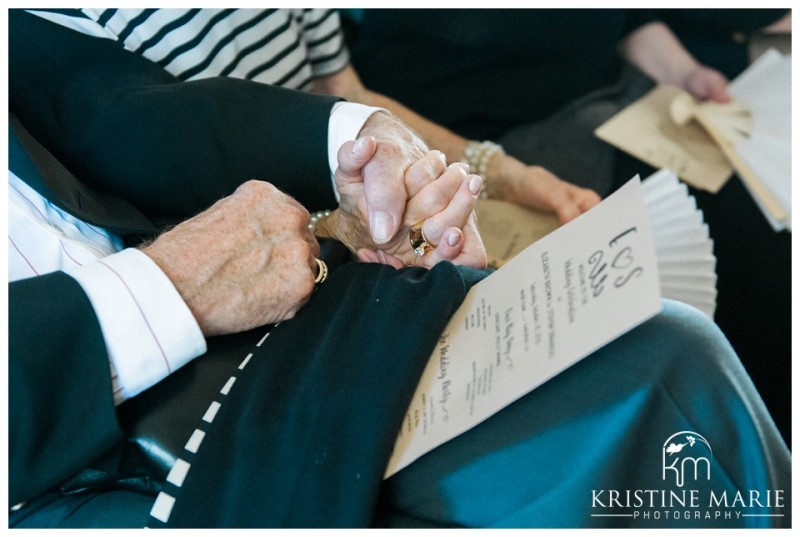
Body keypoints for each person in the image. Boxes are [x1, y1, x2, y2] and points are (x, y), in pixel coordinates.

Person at [8, 10, 791, 529]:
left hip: (294, 276)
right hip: (144, 404)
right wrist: (171, 284)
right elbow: (210, 217)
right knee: (657, 369)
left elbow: (119, 109)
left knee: (670, 333)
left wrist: (384, 148)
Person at [349, 8, 793, 444]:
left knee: (772, 228)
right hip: (482, 130)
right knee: (739, 276)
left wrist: (681, 71)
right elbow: (348, 97)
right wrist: (498, 169)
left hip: (613, 91)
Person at [27, 7, 601, 225]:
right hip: (279, 258)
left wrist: (497, 169)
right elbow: (164, 206)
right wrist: (347, 225)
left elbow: (341, 90)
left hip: (370, 214)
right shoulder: (57, 24)